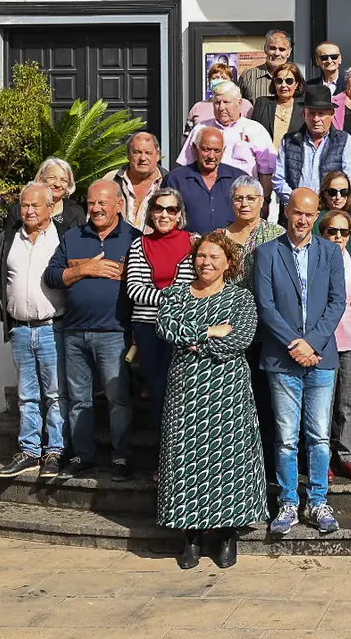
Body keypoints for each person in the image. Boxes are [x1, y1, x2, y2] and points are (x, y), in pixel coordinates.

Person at [155, 231, 265, 570]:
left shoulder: (240, 298)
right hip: (185, 390)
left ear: (228, 263)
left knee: (228, 460)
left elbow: (242, 337)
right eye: (201, 256)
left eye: (214, 257)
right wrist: (210, 332)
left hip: (227, 391)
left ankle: (227, 534)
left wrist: (197, 343)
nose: (206, 262)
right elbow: (166, 328)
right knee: (185, 459)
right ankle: (190, 536)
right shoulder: (175, 294)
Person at [255, 189, 347, 535]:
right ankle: (289, 502)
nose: (303, 220)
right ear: (287, 213)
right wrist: (295, 343)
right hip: (283, 359)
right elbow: (265, 306)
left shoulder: (331, 253)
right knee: (286, 438)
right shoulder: (268, 253)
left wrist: (312, 343)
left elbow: (337, 303)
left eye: (310, 215)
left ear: (317, 215)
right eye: (297, 213)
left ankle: (319, 500)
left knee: (319, 436)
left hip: (321, 358)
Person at [43, 180, 142, 481]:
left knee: (118, 399)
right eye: (91, 203)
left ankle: (122, 457)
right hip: (74, 331)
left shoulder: (134, 239)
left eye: (103, 203)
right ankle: (82, 456)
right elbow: (51, 276)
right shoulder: (73, 237)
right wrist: (84, 269)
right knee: (79, 400)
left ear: (119, 205)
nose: (96, 208)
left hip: (114, 332)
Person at [0, 182, 66, 479]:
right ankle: (29, 450)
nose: (30, 210)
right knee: (26, 395)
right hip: (20, 330)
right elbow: (2, 281)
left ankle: (55, 451)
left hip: (52, 328)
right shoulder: (8, 239)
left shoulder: (63, 238)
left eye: (36, 205)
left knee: (55, 394)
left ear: (51, 208)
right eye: (25, 205)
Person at [219, 176, 285, 467]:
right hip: (229, 331)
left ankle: (268, 464)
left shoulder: (277, 234)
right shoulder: (218, 237)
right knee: (233, 400)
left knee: (267, 399)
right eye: (238, 198)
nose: (244, 203)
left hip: (267, 331)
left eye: (250, 198)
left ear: (262, 201)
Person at [125, 189, 196, 438]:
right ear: (151, 213)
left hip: (183, 328)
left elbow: (199, 287)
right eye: (159, 208)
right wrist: (173, 298)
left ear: (179, 214)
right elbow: (134, 289)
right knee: (158, 390)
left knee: (183, 390)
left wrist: (173, 301)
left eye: (171, 209)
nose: (164, 214)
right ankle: (161, 457)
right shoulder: (139, 245)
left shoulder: (194, 243)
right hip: (148, 327)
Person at [316, 209, 351, 482]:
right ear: (322, 233)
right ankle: (321, 459)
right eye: (332, 231)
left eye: (343, 232)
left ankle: (346, 457)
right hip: (323, 342)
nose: (338, 236)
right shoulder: (314, 261)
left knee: (348, 404)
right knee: (322, 406)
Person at [179, 80, 277, 210]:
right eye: (217, 102)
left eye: (226, 102)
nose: (221, 107)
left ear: (239, 103)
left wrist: (265, 201)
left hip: (244, 202)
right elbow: (186, 165)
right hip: (205, 199)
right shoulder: (201, 129)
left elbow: (266, 171)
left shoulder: (256, 130)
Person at [273, 85, 351, 211]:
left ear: (331, 114)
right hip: (297, 212)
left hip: (331, 212)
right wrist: (299, 201)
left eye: (321, 114)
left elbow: (350, 179)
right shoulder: (288, 141)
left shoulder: (344, 140)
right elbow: (278, 179)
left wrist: (331, 199)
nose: (316, 119)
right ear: (304, 114)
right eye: (311, 113)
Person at [163, 127, 248, 234]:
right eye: (206, 150)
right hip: (188, 248)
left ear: (223, 151)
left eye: (217, 150)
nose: (211, 156)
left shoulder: (239, 178)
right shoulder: (176, 179)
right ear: (195, 148)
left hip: (232, 246)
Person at [107, 132, 168, 230]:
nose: (143, 158)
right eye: (137, 152)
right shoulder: (111, 180)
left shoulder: (169, 183)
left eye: (148, 153)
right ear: (128, 155)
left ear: (157, 156)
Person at [250, 61, 306, 151]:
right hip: (266, 160)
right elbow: (252, 133)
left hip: (293, 160)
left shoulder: (304, 107)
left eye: (289, 81)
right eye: (279, 81)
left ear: (297, 84)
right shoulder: (262, 103)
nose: (283, 85)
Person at [25, 157, 87, 235]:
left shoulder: (77, 211)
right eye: (52, 178)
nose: (57, 184)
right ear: (40, 179)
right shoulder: (20, 210)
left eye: (63, 180)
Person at [238, 30, 293, 103]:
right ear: (265, 49)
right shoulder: (248, 76)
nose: (277, 53)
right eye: (272, 48)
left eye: (281, 49)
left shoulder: (294, 77)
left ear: (288, 52)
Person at [314, 170, 351, 255]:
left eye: (344, 192)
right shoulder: (316, 219)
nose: (338, 197)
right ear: (325, 193)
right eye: (333, 192)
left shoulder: (348, 219)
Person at [188, 67, 252, 126]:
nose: (219, 81)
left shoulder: (245, 105)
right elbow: (187, 134)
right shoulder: (198, 107)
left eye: (224, 78)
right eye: (215, 78)